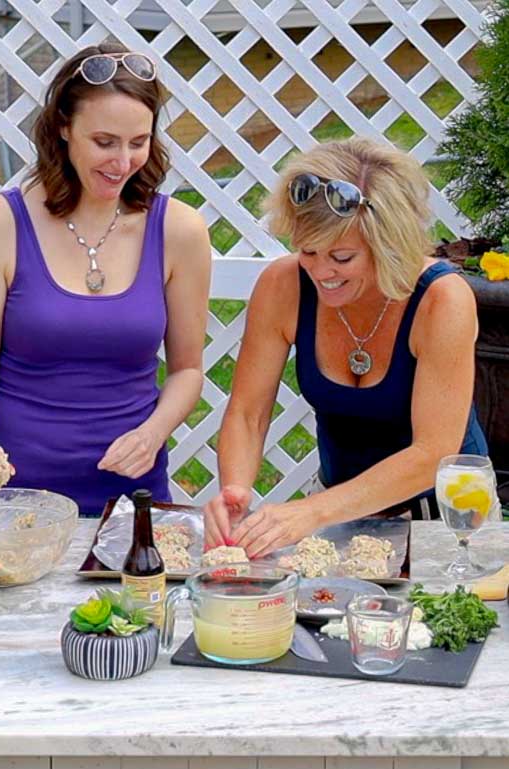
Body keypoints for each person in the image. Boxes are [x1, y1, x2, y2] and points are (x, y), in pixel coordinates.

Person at [0, 42, 210, 515]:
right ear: (63, 128)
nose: (123, 161)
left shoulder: (180, 230)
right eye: (105, 142)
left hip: (132, 500)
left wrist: (152, 435)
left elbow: (188, 371)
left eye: (138, 142)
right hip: (18, 500)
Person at [204, 137, 488, 555]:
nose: (321, 271)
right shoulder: (282, 286)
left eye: (342, 257)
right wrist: (234, 491)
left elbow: (434, 454)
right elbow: (247, 414)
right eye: (308, 251)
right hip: (340, 511)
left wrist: (313, 512)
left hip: (448, 518)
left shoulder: (443, 300)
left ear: (388, 245)